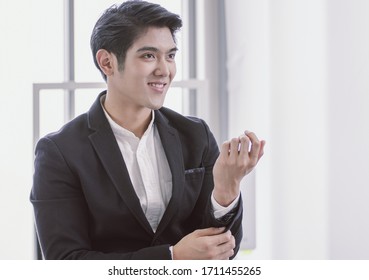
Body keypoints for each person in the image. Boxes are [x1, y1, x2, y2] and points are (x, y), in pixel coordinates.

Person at [30, 0, 265, 260]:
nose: (164, 70)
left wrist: (226, 189)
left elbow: (223, 251)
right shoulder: (60, 152)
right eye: (148, 55)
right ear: (107, 62)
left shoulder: (195, 135)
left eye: (171, 56)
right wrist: (171, 257)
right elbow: (64, 262)